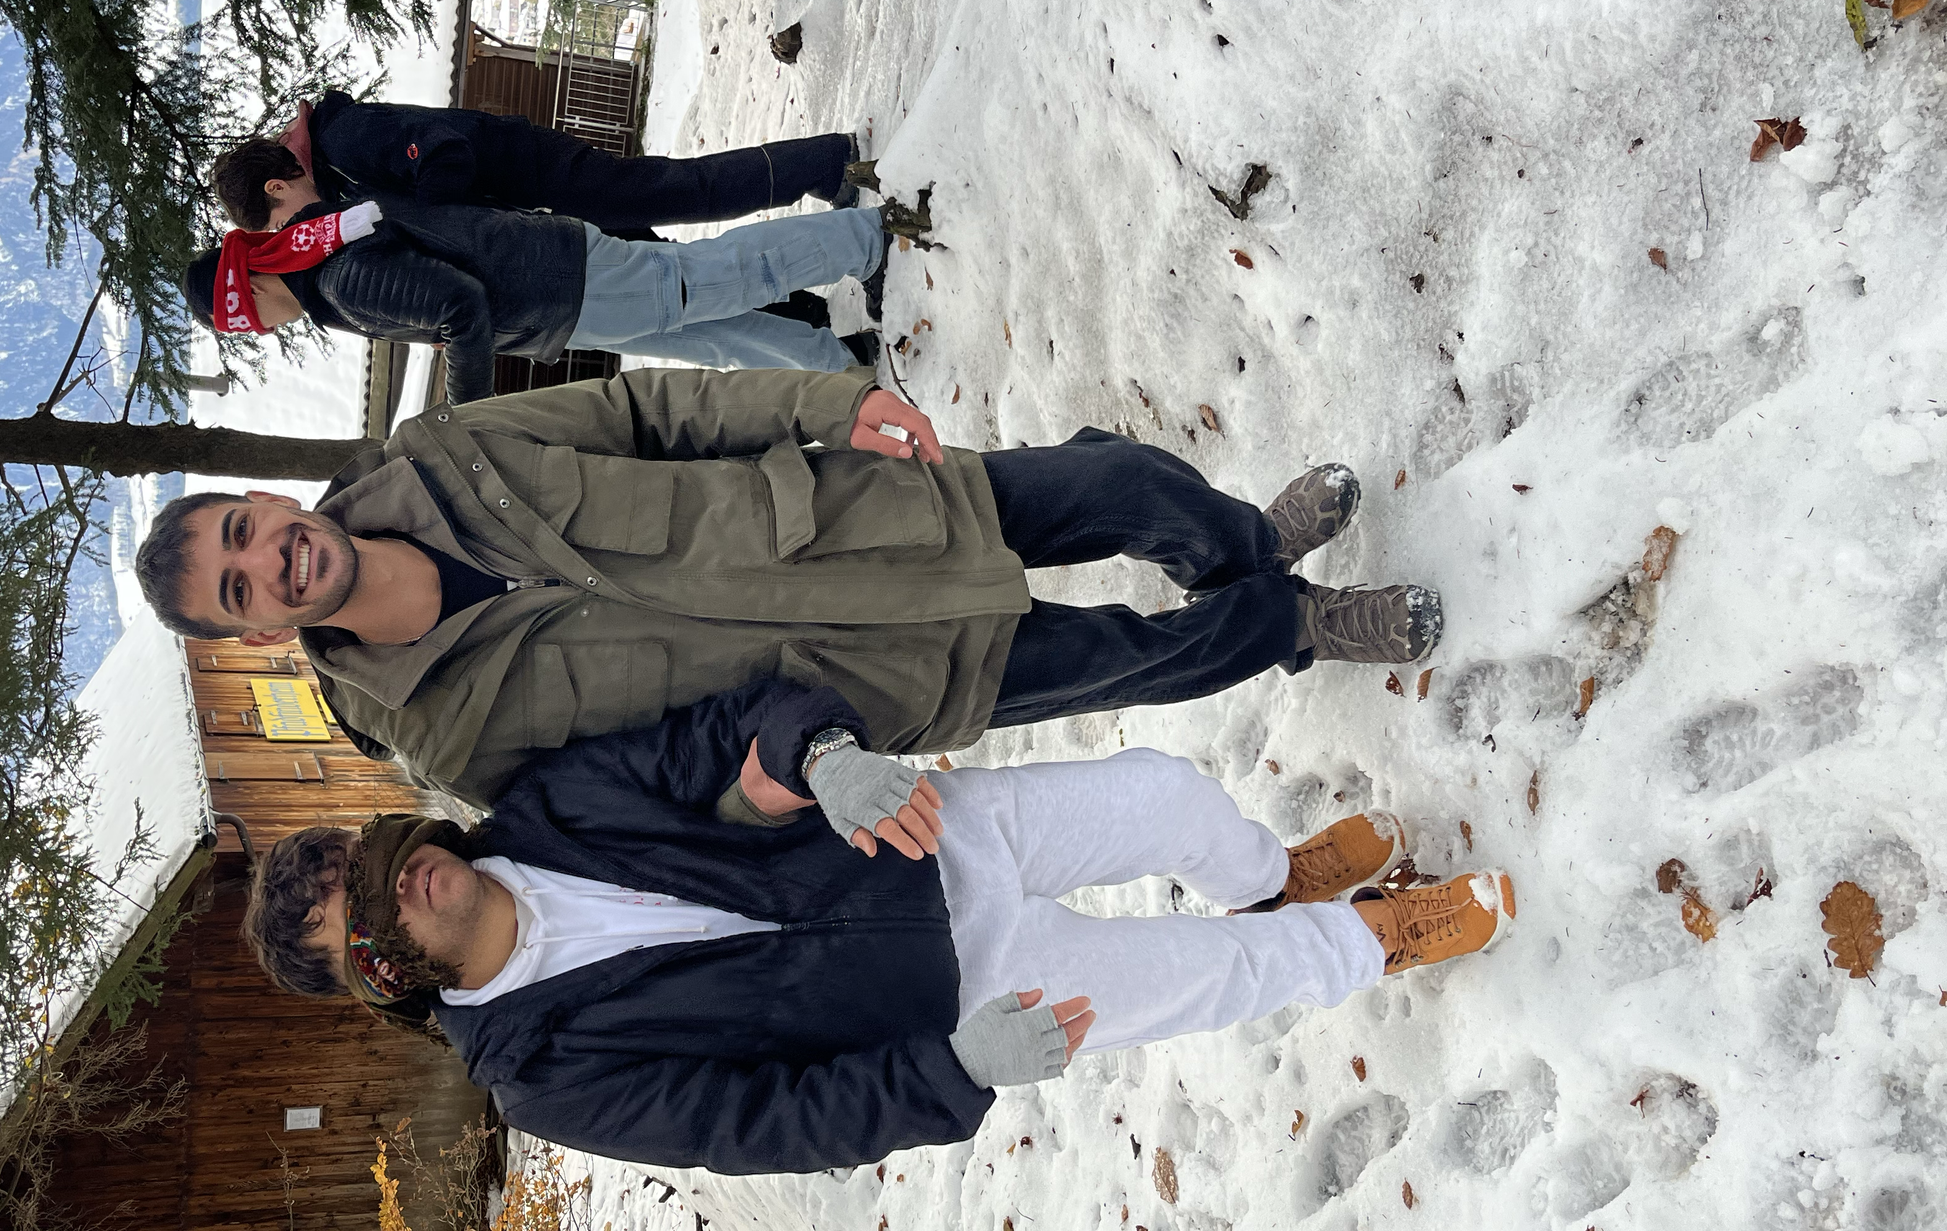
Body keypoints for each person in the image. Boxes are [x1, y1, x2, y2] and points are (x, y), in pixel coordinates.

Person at [238, 678, 1516, 1175]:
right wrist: (951, 1075)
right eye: (364, 918)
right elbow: (763, 1125)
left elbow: (713, 736)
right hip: (958, 1001)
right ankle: (1370, 940)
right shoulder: (543, 1074)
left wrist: (821, 753)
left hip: (921, 834)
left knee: (1168, 794)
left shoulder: (546, 808)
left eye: (370, 856)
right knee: (1209, 980)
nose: (396, 881)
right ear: (380, 981)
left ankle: (1268, 874)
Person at [131, 366, 1441, 802]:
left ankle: (1249, 552)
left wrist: (829, 399)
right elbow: (663, 790)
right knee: (1127, 658)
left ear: (265, 503)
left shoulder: (451, 451)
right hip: (865, 682)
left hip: (859, 519)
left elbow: (654, 407)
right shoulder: (451, 743)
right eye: (241, 586)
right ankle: (1296, 623)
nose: (271, 559)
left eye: (245, 529)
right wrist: (779, 778)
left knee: (1120, 489)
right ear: (252, 629)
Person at [181, 192, 923, 401]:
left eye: (248, 323)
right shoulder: (322, 243)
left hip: (561, 286)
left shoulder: (339, 278)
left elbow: (460, 308)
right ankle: (836, 365)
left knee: (724, 276)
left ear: (251, 290)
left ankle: (865, 238)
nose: (263, 332)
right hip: (558, 291)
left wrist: (462, 411)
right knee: (715, 336)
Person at [213, 91, 872, 237]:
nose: (294, 229)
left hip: (537, 172)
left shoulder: (345, 138)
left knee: (680, 191)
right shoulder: (335, 171)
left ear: (278, 183)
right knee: (673, 267)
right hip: (533, 203)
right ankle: (814, 319)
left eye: (279, 221)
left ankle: (826, 162)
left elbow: (446, 152)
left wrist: (437, 220)